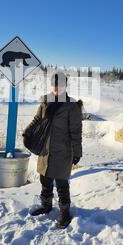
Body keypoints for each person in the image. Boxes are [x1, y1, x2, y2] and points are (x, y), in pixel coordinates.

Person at [23, 72, 83, 229]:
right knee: (45, 180)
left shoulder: (72, 106)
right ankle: (46, 205)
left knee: (62, 183)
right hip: (45, 150)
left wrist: (77, 152)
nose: (57, 88)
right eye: (55, 85)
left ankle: (64, 213)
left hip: (63, 151)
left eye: (61, 85)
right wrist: (27, 132)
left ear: (65, 86)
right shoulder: (45, 101)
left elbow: (76, 131)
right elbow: (37, 120)